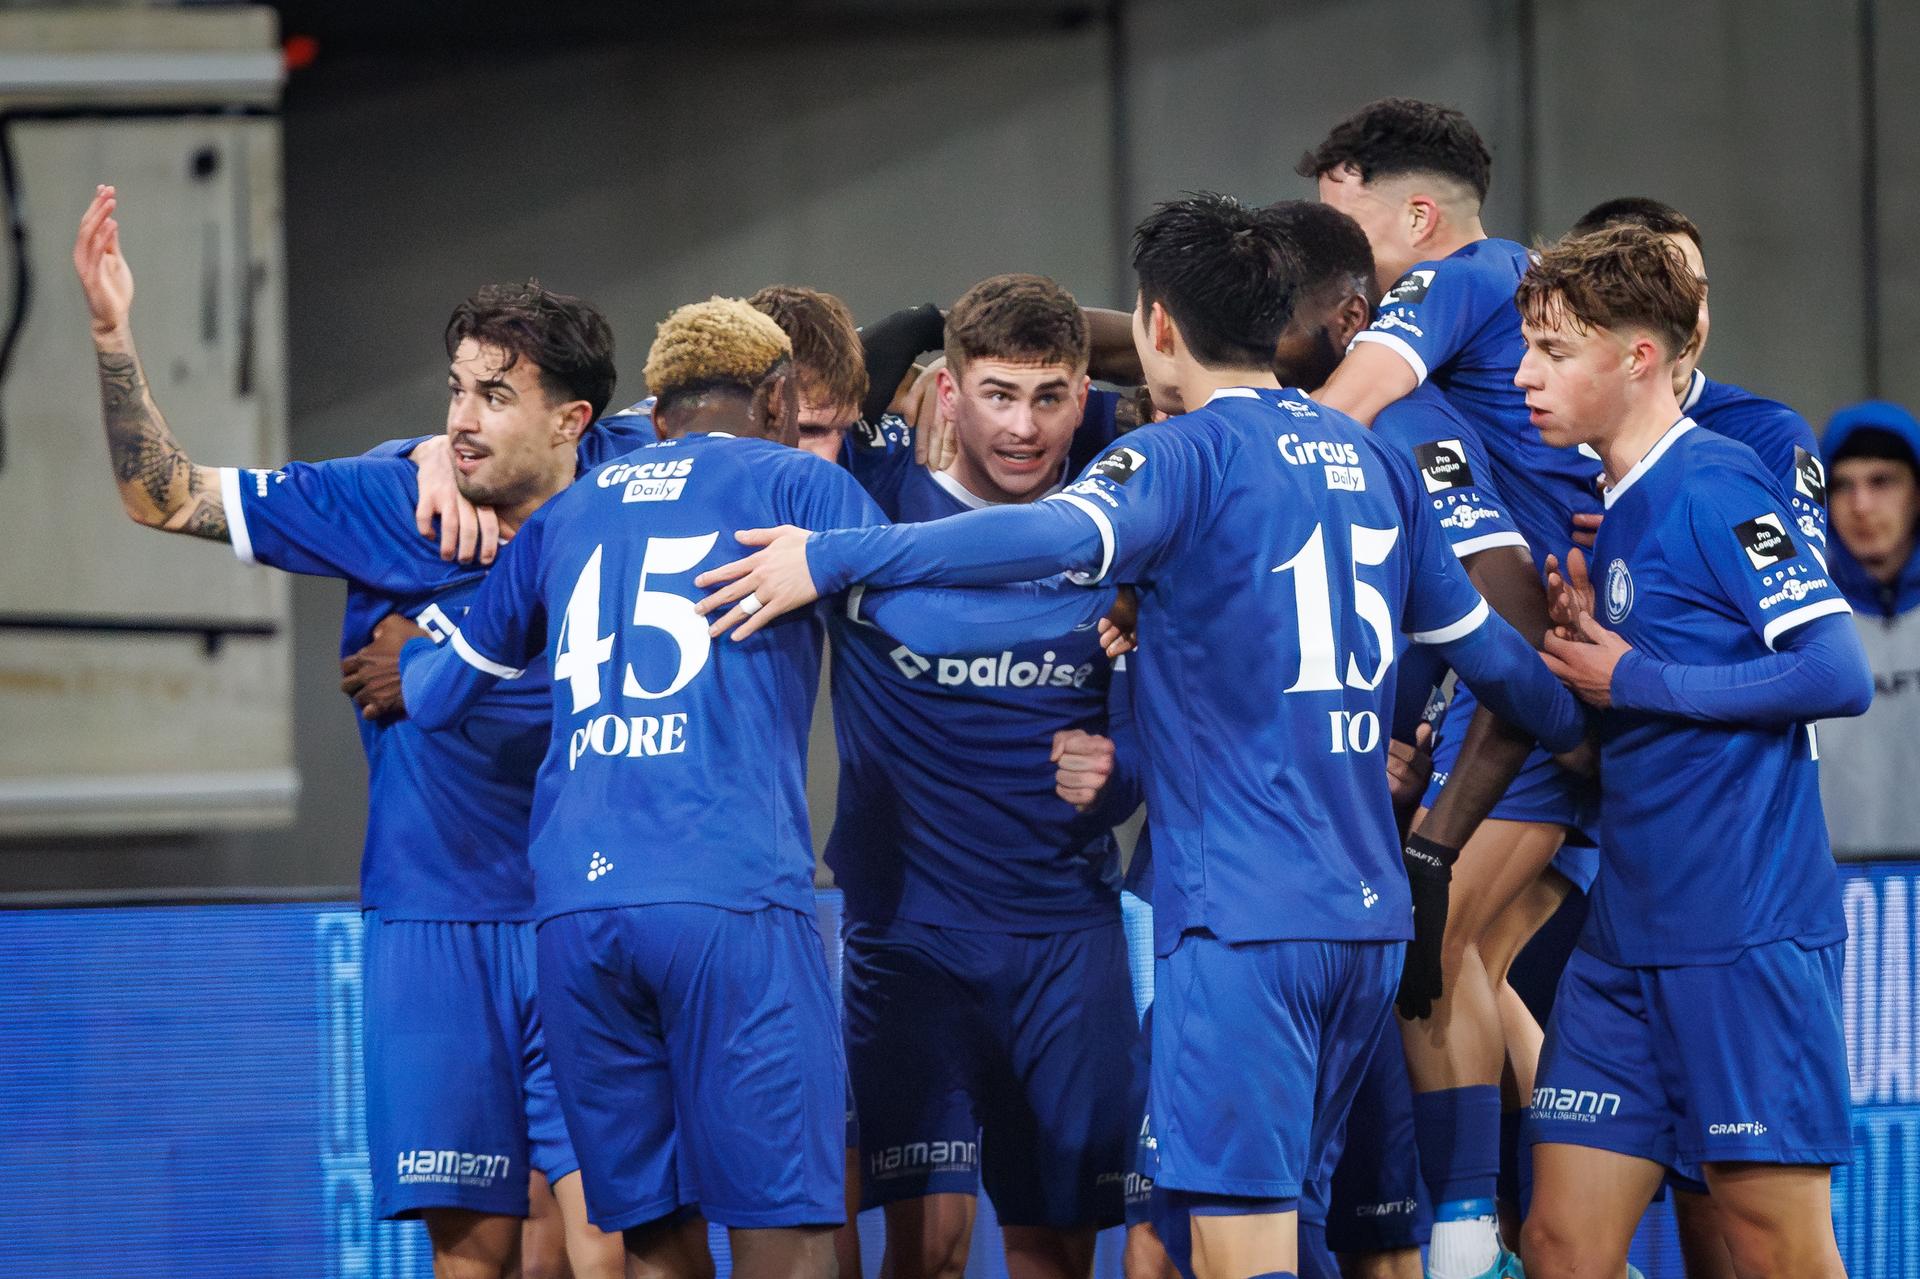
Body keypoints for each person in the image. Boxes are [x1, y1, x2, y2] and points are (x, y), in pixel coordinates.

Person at [690, 194, 1586, 1279]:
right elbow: (1505, 668)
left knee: (1236, 1255)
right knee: (1265, 1242)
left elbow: (1051, 535)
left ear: (1156, 326)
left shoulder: (1182, 458)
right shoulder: (1373, 462)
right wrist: (1585, 719)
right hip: (1364, 928)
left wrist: (834, 558)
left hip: (1239, 928)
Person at [388, 297, 1120, 1279]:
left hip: (576, 916)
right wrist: (1103, 609)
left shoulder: (564, 517)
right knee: (794, 1235)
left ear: (656, 417)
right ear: (777, 398)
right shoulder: (795, 486)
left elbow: (433, 697)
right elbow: (936, 633)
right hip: (728, 899)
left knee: (652, 1239)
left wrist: (424, 628)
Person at [71, 185, 626, 1279]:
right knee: (474, 1262)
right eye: (454, 392)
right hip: (432, 927)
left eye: (496, 397)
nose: (463, 419)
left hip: (587, 919)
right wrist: (110, 333)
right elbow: (162, 495)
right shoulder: (390, 500)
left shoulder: (636, 479)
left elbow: (733, 409)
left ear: (572, 423)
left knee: (611, 1247)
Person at [1516, 225, 1869, 1279]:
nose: (1525, 375)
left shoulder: (1718, 483)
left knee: (1774, 1251)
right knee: (1560, 1245)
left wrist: (1632, 679)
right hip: (1626, 940)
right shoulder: (1612, 510)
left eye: (1554, 352)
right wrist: (1579, 676)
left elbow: (1834, 670)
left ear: (1637, 358)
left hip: (1743, 937)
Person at [1299, 99, 1595, 1279]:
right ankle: (1556, 1231)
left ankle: (1477, 1241)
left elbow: (1324, 419)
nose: (1320, 263)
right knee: (1494, 947)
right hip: (1534, 659)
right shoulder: (1511, 305)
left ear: (1415, 217)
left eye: (1338, 226)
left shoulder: (1449, 289)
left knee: (1425, 946)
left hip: (1527, 670)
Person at [826, 274, 1142, 1279]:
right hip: (909, 938)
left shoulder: (1125, 501)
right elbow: (786, 399)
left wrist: (1123, 771)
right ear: (946, 392)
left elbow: (1203, 353)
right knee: (929, 1247)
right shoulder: (872, 487)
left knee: (1052, 1246)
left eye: (1051, 396)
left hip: (1068, 938)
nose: (1023, 426)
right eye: (997, 394)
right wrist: (924, 316)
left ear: (1084, 395)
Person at [1817, 399, 1920, 859]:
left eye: (1882, 482)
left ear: (1916, 491)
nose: (1861, 505)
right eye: (1843, 485)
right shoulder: (1798, 619)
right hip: (1832, 902)